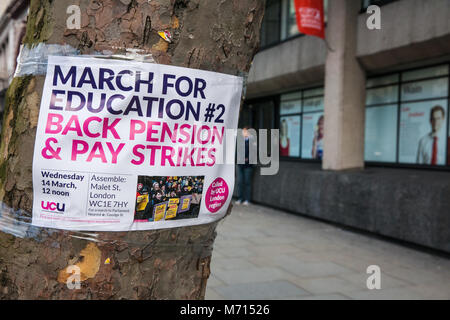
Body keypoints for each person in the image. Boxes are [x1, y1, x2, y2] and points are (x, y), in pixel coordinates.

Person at [236, 126, 255, 206]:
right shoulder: (240, 141)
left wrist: (248, 158)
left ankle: (247, 199)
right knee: (240, 182)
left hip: (248, 165)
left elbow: (254, 152)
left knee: (247, 182)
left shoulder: (252, 141)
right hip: (240, 164)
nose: (243, 133)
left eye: (244, 131)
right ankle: (240, 198)